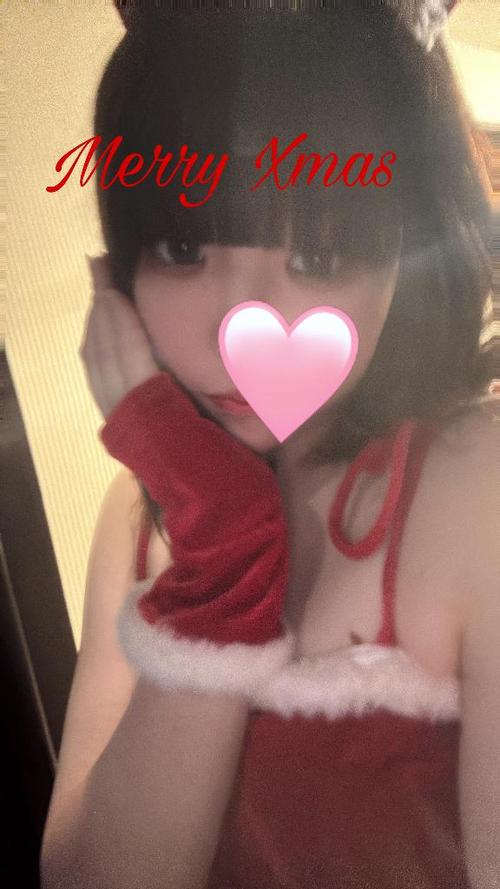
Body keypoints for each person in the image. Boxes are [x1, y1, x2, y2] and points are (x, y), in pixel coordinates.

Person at [40, 2, 500, 888]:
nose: (239, 330)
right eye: (183, 246)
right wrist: (221, 547)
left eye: (319, 257)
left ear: (408, 253)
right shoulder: (136, 515)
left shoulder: (476, 487)